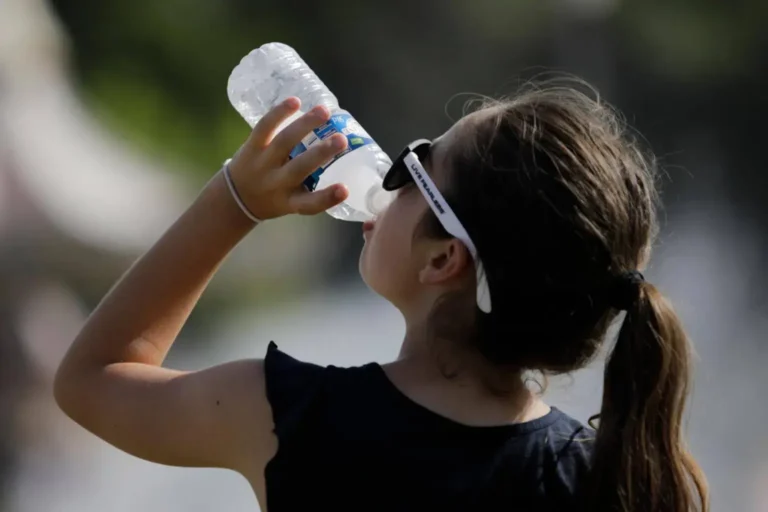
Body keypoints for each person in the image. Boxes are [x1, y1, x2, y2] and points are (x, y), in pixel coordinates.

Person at [54, 79, 709, 511]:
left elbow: (90, 379)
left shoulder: (289, 417)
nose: (384, 178)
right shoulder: (606, 483)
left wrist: (234, 201)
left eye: (412, 166)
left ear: (443, 257)